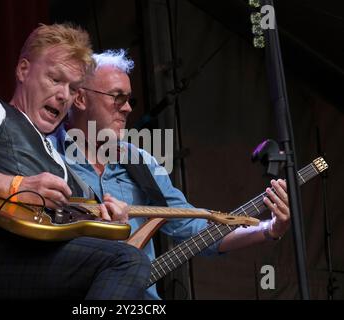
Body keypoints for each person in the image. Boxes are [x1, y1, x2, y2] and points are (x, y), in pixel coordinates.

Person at [0, 24, 152, 299]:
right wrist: (18, 185)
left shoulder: (60, 162)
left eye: (72, 88)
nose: (63, 95)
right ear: (23, 70)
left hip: (43, 260)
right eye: (55, 79)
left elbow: (86, 232)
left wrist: (114, 224)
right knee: (127, 261)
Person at [50, 49, 291, 299]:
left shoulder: (140, 161)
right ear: (80, 99)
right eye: (117, 97)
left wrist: (269, 229)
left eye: (129, 99)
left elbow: (193, 227)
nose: (128, 108)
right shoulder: (46, 154)